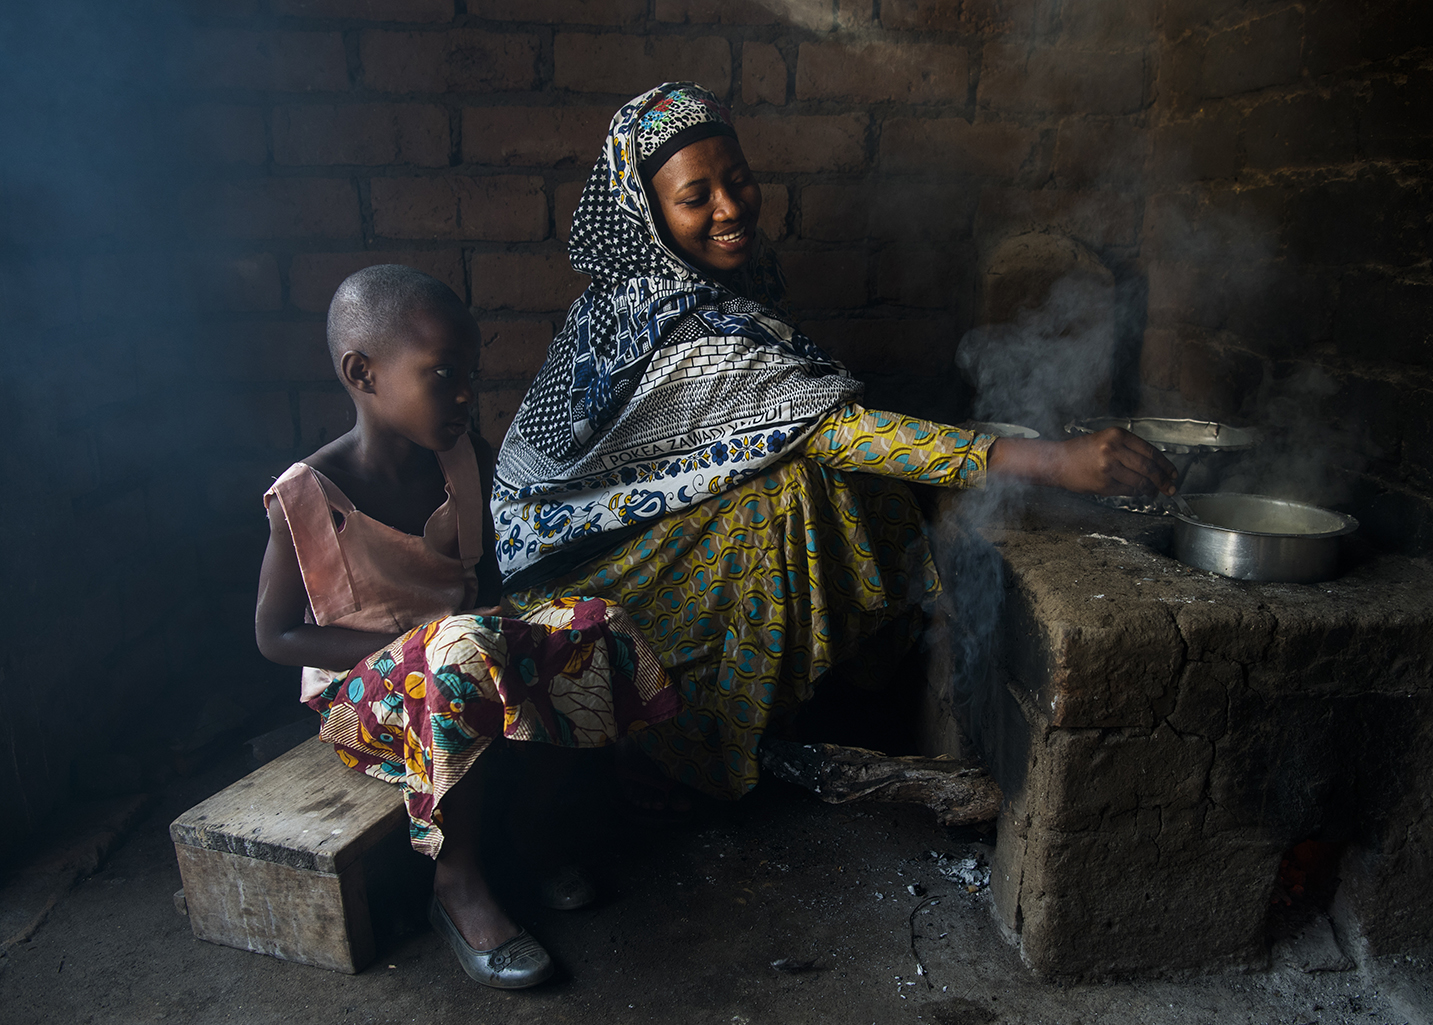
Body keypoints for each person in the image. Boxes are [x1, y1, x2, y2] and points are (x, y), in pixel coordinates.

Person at [491, 84, 1176, 811]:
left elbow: (793, 416)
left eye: (738, 178)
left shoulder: (673, 288)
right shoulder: (670, 324)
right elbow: (827, 427)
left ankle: (818, 703)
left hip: (617, 562)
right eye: (696, 197)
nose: (730, 207)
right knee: (794, 489)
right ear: (649, 215)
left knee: (827, 476)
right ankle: (690, 746)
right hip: (580, 597)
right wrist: (1052, 460)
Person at [254, 265, 681, 989]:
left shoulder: (464, 461)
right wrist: (422, 645)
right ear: (363, 372)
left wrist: (507, 638)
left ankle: (531, 828)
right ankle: (458, 887)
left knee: (595, 623)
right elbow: (275, 637)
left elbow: (483, 590)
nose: (464, 394)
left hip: (460, 653)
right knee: (456, 650)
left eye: (470, 375)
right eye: (443, 373)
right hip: (367, 694)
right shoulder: (305, 497)